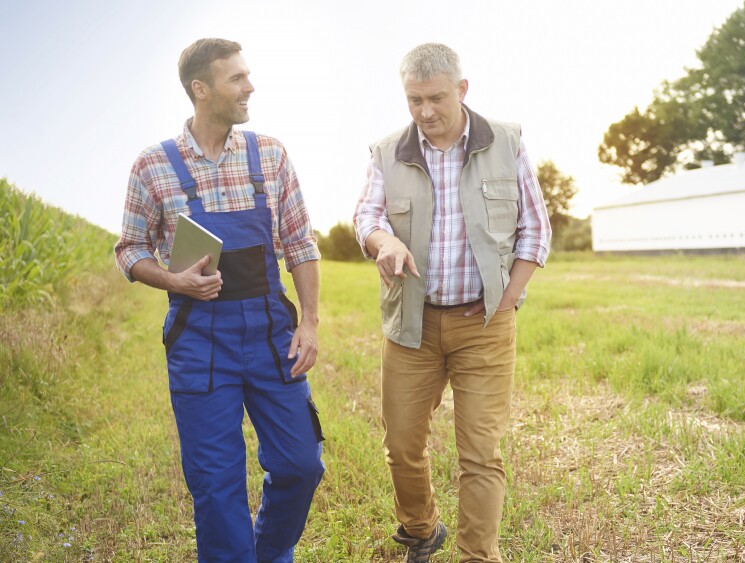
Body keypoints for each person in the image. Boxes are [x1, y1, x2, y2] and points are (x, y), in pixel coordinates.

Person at [113, 38, 325, 562]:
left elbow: (300, 243)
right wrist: (174, 281)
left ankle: (268, 552)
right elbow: (131, 250)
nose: (249, 86)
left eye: (247, 75)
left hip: (273, 333)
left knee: (302, 465)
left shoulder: (269, 154)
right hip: (199, 338)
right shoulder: (153, 166)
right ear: (200, 89)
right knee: (216, 482)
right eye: (236, 78)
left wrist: (311, 324)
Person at [353, 43, 552, 562]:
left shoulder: (506, 143)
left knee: (481, 454)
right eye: (414, 100)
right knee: (401, 445)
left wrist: (506, 302)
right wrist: (385, 242)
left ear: (462, 90)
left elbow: (536, 230)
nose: (425, 112)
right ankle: (421, 528)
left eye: (436, 98)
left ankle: (477, 556)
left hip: (484, 324)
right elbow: (366, 218)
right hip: (411, 326)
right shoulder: (386, 152)